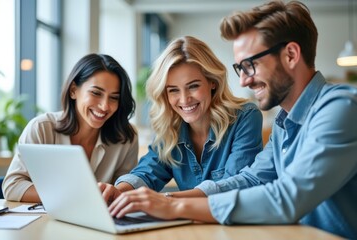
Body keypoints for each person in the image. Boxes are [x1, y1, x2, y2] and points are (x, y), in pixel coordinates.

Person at [104, 2, 357, 239]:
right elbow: (252, 179)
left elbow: (287, 198)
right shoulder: (284, 121)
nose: (244, 81)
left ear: (290, 55)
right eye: (240, 69)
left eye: (250, 65)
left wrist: (175, 205)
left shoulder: (340, 107)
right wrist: (155, 199)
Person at [99, 36, 263, 203]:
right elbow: (148, 171)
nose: (184, 100)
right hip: (190, 224)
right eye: (173, 90)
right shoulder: (170, 125)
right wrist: (118, 191)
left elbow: (236, 186)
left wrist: (167, 200)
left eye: (193, 86)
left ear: (212, 81)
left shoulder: (245, 117)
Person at [2, 53, 138, 202]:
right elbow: (12, 186)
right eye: (96, 93)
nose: (105, 106)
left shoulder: (126, 137)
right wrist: (75, 196)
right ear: (73, 90)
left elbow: (126, 190)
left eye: (114, 97)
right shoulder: (41, 128)